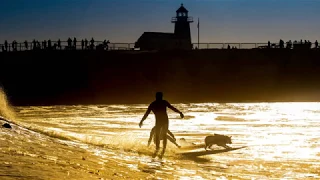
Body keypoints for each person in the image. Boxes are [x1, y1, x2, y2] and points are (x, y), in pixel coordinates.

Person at [139, 92, 184, 159]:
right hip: (160, 121)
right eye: (159, 97)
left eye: (161, 97)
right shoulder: (154, 104)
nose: (160, 98)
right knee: (158, 135)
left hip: (164, 121)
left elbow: (172, 108)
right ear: (157, 97)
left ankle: (163, 150)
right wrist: (142, 121)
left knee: (164, 134)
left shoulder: (161, 103)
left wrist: (180, 112)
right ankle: (158, 149)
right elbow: (146, 113)